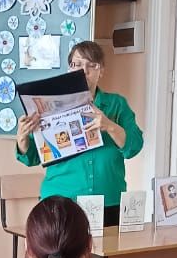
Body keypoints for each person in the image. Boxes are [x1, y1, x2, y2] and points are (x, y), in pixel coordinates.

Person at [14, 40, 143, 233]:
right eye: (77, 64)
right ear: (69, 69)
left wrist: (110, 126)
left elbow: (134, 146)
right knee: (60, 252)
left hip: (108, 200)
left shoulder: (116, 104)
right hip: (61, 201)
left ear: (101, 71)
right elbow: (31, 157)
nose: (84, 71)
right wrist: (22, 138)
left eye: (92, 65)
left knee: (109, 253)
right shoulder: (48, 104)